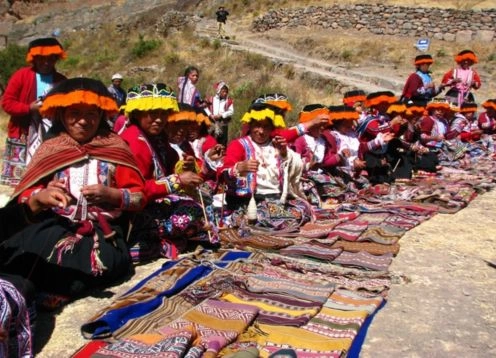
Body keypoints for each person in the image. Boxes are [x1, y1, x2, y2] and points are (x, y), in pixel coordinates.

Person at [0, 77, 146, 296]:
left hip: (100, 230)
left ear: (101, 116)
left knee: (99, 265)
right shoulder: (51, 148)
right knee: (25, 253)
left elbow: (139, 197)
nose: (83, 122)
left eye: (91, 114)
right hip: (53, 223)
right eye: (74, 114)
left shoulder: (116, 148)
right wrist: (43, 194)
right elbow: (24, 194)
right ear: (62, 115)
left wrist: (112, 194)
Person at [120, 83, 212, 260]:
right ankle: (148, 242)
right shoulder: (134, 141)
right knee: (190, 214)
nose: (159, 119)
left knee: (205, 199)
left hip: (156, 202)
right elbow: (135, 192)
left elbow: (169, 167)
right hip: (137, 210)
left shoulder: (156, 137)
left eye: (163, 114)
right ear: (138, 112)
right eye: (153, 113)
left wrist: (185, 166)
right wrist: (177, 181)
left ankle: (171, 238)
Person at [220, 101, 311, 230]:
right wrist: (239, 168)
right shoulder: (238, 145)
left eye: (266, 127)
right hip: (251, 201)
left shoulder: (276, 144)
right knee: (272, 215)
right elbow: (223, 173)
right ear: (250, 125)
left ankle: (272, 221)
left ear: (272, 128)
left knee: (304, 208)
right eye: (257, 125)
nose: (261, 131)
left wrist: (283, 153)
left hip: (276, 199)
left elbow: (290, 170)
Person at [1, 37, 67, 186]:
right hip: (23, 133)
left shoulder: (61, 81)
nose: (46, 62)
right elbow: (7, 103)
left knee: (47, 177)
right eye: (41, 58)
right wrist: (29, 108)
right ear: (34, 58)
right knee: (19, 181)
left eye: (51, 59)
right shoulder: (21, 76)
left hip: (51, 135)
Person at [205, 81, 234, 146]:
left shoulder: (228, 101)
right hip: (212, 122)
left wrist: (222, 115)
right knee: (211, 140)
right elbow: (205, 108)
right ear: (219, 91)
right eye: (223, 91)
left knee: (222, 141)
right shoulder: (211, 99)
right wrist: (210, 115)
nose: (225, 93)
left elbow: (231, 111)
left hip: (223, 123)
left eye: (226, 92)